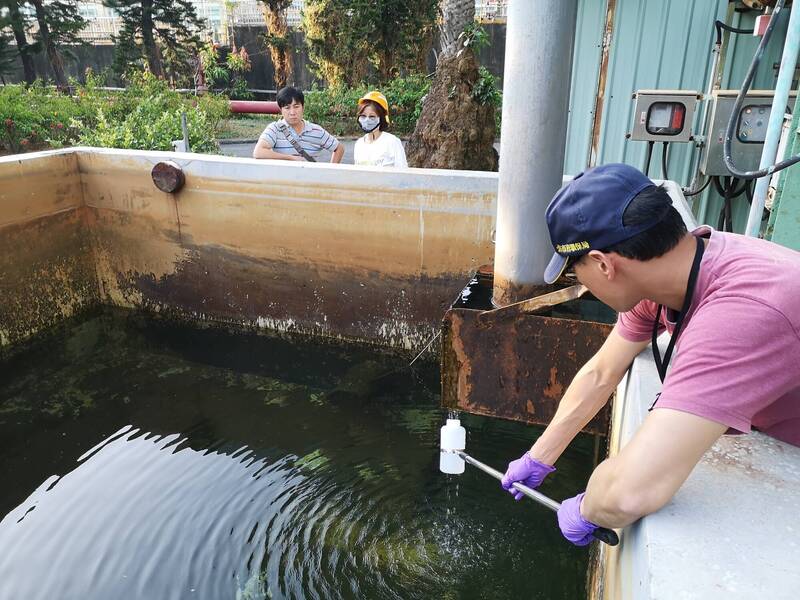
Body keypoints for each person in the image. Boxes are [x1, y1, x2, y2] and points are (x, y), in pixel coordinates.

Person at [500, 163, 800, 546]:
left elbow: (630, 493)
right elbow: (601, 372)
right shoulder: (676, 269)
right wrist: (540, 456)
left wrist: (587, 507)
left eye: (575, 273)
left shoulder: (740, 312)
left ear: (603, 264)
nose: (584, 285)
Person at [253, 86, 344, 164]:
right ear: (281, 110)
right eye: (287, 108)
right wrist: (291, 158)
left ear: (303, 107)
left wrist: (331, 172)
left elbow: (339, 148)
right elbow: (258, 152)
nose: (292, 112)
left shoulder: (316, 131)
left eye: (296, 107)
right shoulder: (274, 129)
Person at [353, 91, 407, 168]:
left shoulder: (392, 142)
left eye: (372, 116)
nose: (367, 120)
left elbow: (403, 173)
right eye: (363, 116)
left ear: (381, 118)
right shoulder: (359, 144)